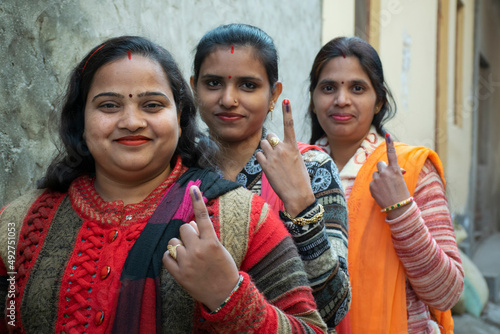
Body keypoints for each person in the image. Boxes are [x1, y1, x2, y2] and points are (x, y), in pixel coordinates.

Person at [0, 35, 328, 333]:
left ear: (180, 115)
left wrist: (229, 296)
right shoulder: (20, 223)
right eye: (109, 105)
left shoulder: (242, 219)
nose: (131, 121)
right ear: (80, 119)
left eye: (152, 105)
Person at [190, 23, 350, 330]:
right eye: (213, 83)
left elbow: (333, 308)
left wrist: (301, 205)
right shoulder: (179, 168)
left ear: (273, 94)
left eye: (248, 85)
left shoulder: (311, 168)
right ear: (194, 86)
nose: (228, 99)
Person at [307, 36, 464, 333]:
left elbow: (447, 293)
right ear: (313, 100)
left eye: (357, 88)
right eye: (328, 87)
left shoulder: (408, 170)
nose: (341, 99)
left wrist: (400, 209)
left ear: (378, 101)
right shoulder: (291, 171)